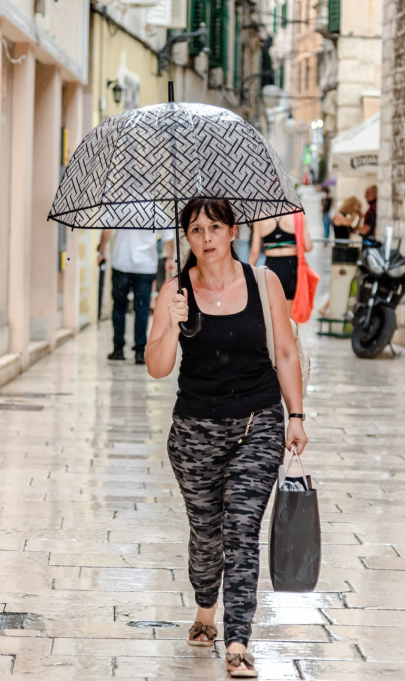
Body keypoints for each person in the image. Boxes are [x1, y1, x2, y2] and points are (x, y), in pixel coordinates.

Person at [145, 198, 308, 679]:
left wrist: (296, 415)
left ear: (233, 231)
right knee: (206, 534)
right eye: (196, 229)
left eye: (215, 227)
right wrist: (173, 325)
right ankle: (204, 607)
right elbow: (157, 367)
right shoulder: (174, 291)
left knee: (241, 529)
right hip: (194, 433)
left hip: (257, 424)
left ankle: (238, 640)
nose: (206, 237)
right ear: (187, 238)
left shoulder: (264, 282)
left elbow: (285, 352)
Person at [98, 229, 175, 364]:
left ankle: (118, 349)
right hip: (145, 267)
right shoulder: (157, 214)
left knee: (119, 308)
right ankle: (139, 352)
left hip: (121, 264)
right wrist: (170, 257)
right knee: (142, 310)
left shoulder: (118, 213)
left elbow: (107, 230)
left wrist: (101, 251)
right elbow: (168, 238)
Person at [248, 211, 313, 316]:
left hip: (271, 269)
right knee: (289, 317)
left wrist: (247, 276)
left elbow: (254, 253)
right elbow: (308, 246)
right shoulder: (296, 214)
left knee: (273, 315)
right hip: (291, 269)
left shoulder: (259, 217)